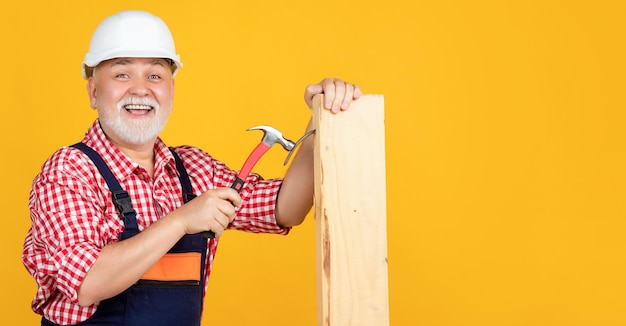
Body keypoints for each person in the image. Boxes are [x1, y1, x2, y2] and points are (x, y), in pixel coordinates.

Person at [22, 10, 361, 326]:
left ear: (170, 89)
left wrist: (320, 119)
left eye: (155, 74)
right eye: (122, 73)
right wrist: (183, 219)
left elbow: (284, 209)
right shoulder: (69, 171)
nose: (141, 88)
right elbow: (87, 283)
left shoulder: (193, 170)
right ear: (94, 92)